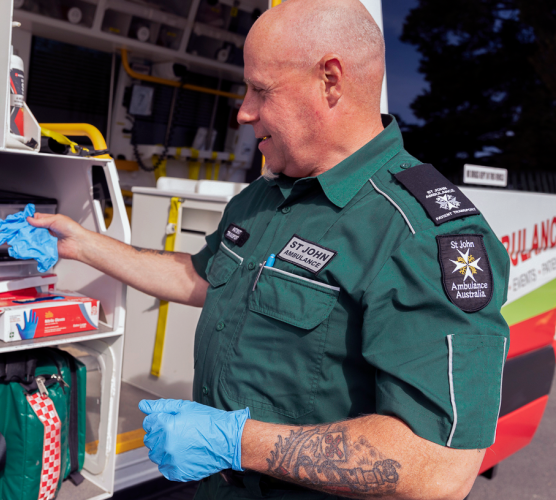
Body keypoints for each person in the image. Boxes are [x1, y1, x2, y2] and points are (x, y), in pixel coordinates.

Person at [28, 0, 511, 497]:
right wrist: (83, 244)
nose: (243, 112)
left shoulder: (420, 235)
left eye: (261, 90)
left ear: (330, 81)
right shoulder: (268, 193)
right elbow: (201, 276)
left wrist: (234, 442)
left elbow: (441, 469)